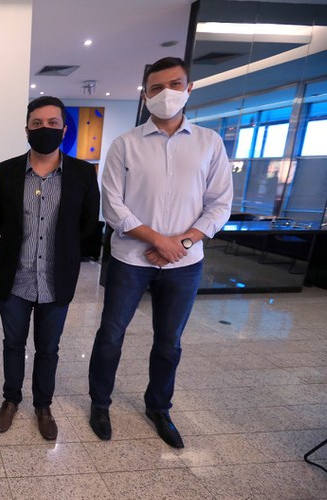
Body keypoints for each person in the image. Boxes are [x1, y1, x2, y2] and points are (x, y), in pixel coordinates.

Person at [88, 57, 233, 448]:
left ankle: (159, 408)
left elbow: (220, 204)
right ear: (145, 95)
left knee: (169, 341)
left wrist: (180, 243)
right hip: (130, 260)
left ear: (189, 88)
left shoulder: (209, 143)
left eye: (175, 84)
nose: (166, 93)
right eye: (156, 87)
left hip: (185, 263)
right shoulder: (125, 144)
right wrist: (158, 240)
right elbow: (113, 205)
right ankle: (100, 404)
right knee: (111, 334)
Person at [0, 96, 100, 440]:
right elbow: (0, 221)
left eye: (53, 123)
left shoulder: (83, 173)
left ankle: (43, 405)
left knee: (48, 348)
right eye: (37, 123)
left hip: (57, 279)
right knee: (13, 344)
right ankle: (11, 399)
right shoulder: (5, 171)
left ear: (64, 129)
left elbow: (87, 224)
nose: (45, 129)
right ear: (26, 129)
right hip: (16, 278)